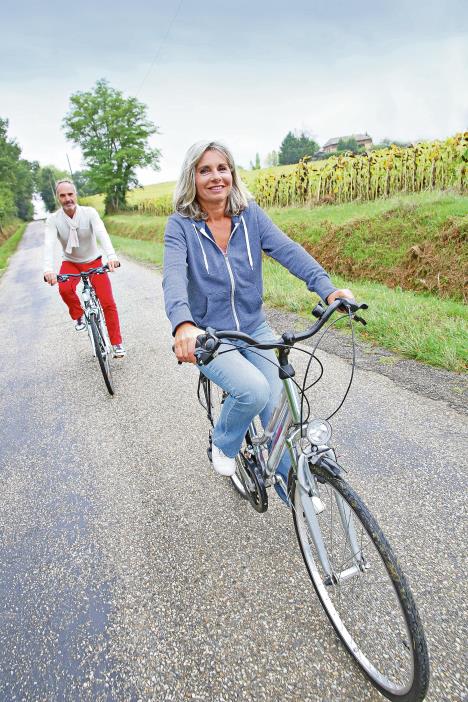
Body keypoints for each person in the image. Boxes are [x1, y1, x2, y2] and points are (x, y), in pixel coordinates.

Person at [163, 141, 354, 501]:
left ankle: (295, 493)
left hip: (254, 327)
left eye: (222, 168)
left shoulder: (250, 216)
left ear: (232, 173)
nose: (216, 176)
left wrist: (327, 290)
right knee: (252, 390)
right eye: (205, 170)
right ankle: (223, 443)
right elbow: (173, 277)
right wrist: (183, 325)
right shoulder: (180, 227)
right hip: (211, 336)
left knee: (282, 411)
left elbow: (288, 251)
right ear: (192, 177)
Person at [43, 179, 126, 357]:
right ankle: (79, 314)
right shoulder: (53, 220)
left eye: (70, 194)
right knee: (64, 289)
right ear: (58, 198)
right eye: (63, 195)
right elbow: (48, 244)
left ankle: (117, 343)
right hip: (71, 262)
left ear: (76, 195)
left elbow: (101, 232)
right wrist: (48, 269)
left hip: (93, 260)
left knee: (108, 302)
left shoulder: (89, 213)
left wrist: (111, 257)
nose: (67, 199)